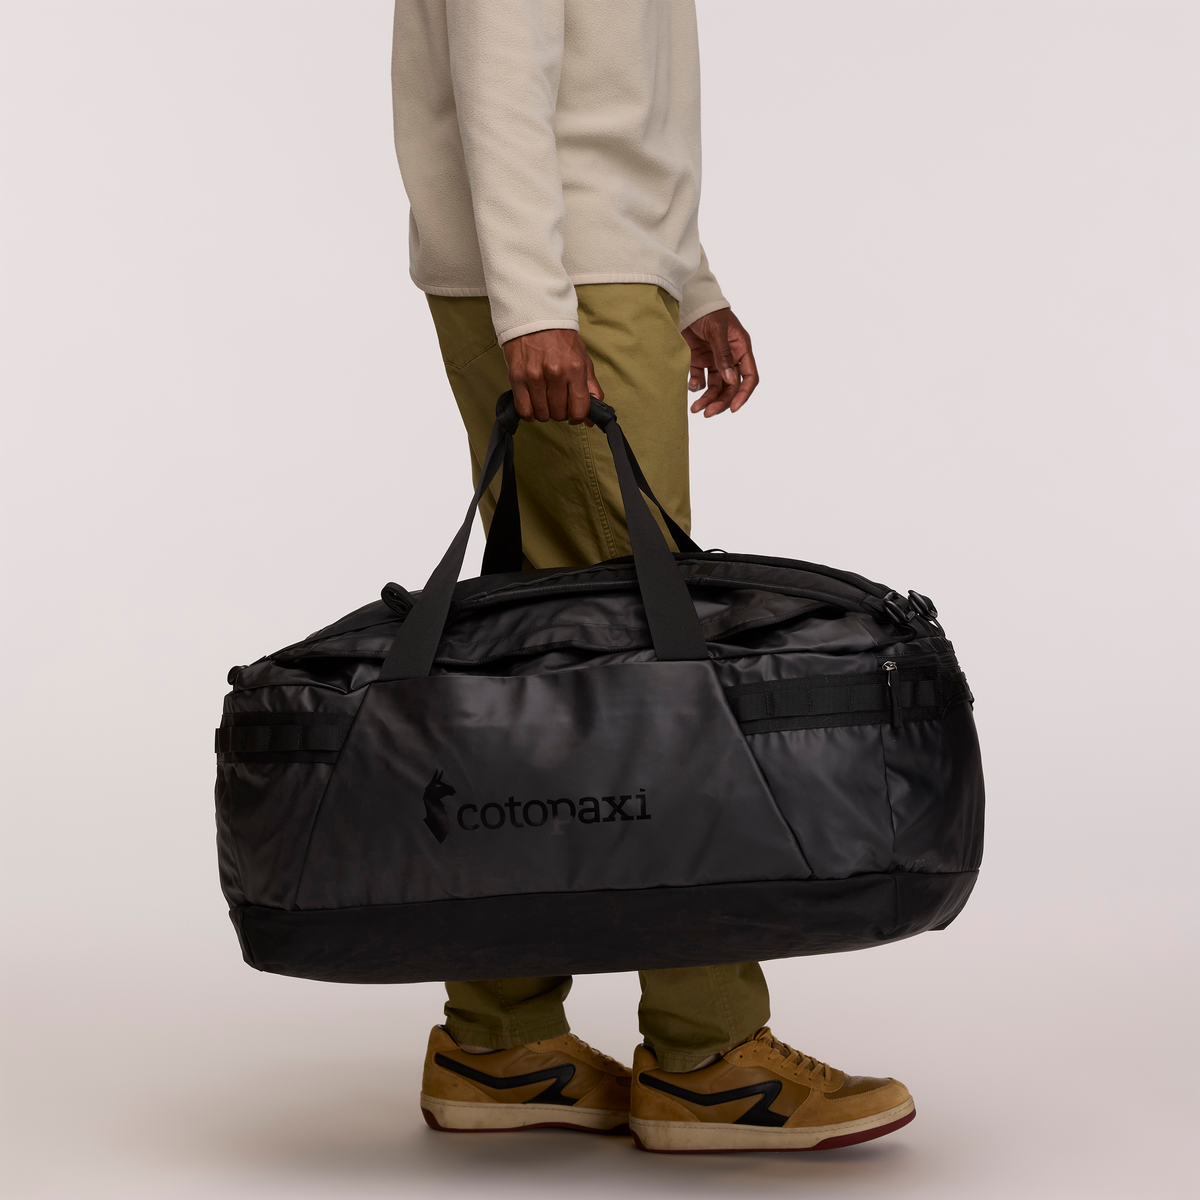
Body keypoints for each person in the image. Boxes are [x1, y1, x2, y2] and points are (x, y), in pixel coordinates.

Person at [390, 1, 913, 1153]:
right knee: (654, 674)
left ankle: (499, 1037)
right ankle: (706, 1056)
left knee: (549, 673)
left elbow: (625, 99)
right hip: (567, 282)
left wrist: (689, 277)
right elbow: (499, 76)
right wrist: (539, 303)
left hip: (595, 269)